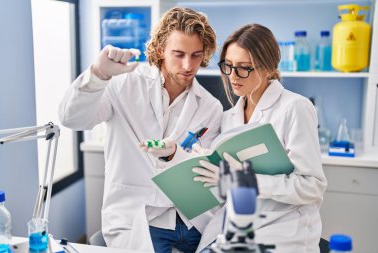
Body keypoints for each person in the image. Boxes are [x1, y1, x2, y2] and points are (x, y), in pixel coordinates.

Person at [59, 7, 223, 253]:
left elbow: (205, 173)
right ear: (160, 50)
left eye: (196, 55)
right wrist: (98, 75)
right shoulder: (123, 84)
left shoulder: (210, 107)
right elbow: (72, 119)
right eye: (178, 54)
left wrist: (176, 154)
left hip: (193, 219)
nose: (188, 65)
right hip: (141, 218)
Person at [191, 24, 328, 252]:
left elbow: (312, 186)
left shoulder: (295, 107)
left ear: (267, 67)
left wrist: (242, 181)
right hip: (237, 228)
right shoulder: (229, 117)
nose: (233, 77)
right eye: (228, 66)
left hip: (283, 230)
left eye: (244, 68)